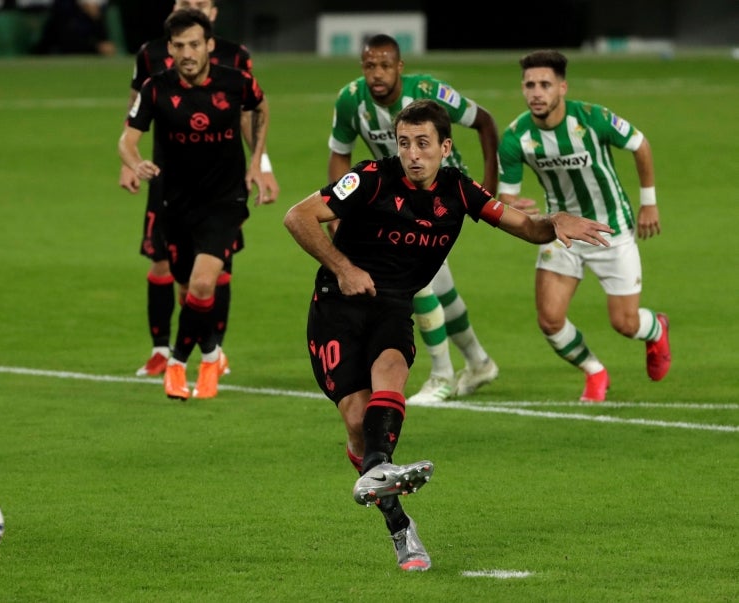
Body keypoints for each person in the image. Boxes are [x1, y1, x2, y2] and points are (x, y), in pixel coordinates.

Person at [284, 99, 613, 571]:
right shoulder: (371, 178)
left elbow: (526, 227)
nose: (413, 154)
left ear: (445, 147)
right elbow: (297, 215)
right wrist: (343, 267)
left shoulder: (460, 189)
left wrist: (554, 221)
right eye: (404, 143)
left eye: (423, 144)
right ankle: (399, 520)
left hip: (393, 306)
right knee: (357, 425)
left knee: (392, 374)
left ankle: (385, 491)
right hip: (337, 307)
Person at [328, 34, 498, 404]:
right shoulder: (350, 100)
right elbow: (340, 154)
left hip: (445, 198)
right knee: (440, 287)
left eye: (385, 65)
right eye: (370, 66)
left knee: (412, 283)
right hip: (399, 201)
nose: (377, 73)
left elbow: (485, 121)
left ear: (399, 67)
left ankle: (441, 375)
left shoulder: (428, 90)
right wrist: (338, 211)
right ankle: (479, 362)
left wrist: (489, 187)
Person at [496, 49, 671, 402]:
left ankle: (655, 328)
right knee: (549, 320)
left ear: (563, 87)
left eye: (545, 84)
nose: (536, 92)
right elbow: (507, 196)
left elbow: (640, 144)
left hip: (612, 230)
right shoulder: (516, 138)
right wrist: (512, 205)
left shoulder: (592, 119)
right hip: (561, 231)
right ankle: (595, 371)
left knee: (625, 324)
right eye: (529, 84)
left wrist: (649, 201)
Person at [118, 8, 271, 400]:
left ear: (209, 46)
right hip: (175, 202)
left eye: (194, 44)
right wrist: (135, 163)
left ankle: (178, 363)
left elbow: (259, 108)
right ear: (169, 49)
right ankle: (212, 352)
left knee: (204, 282)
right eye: (180, 45)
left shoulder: (235, 82)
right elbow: (127, 139)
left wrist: (257, 164)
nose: (187, 52)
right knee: (189, 292)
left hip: (224, 200)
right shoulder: (156, 88)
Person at [32, 0, 116, 56]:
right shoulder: (63, 5)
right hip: (56, 53)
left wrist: (95, 18)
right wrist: (96, 47)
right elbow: (67, 40)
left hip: (88, 55)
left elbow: (102, 37)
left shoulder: (95, 9)